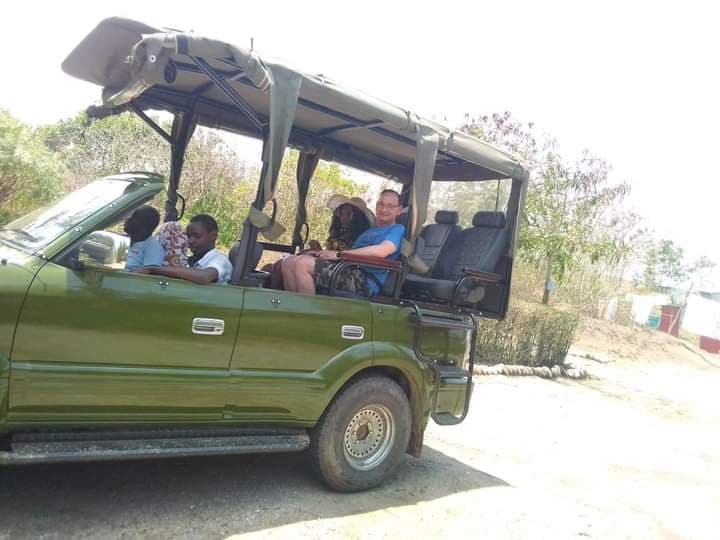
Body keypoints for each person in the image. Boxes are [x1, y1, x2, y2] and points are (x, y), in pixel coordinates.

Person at [281, 189, 405, 296]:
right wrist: (322, 254)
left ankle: (308, 318)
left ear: (399, 210)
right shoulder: (369, 231)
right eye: (381, 204)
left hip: (365, 281)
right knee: (289, 262)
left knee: (302, 264)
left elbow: (382, 251)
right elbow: (351, 253)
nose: (383, 209)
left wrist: (339, 254)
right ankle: (293, 313)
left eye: (390, 206)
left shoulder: (397, 229)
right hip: (347, 269)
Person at [140, 214, 232, 284]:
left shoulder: (220, 260)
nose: (190, 241)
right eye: (188, 236)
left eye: (196, 236)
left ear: (213, 236)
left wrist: (153, 269)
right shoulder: (190, 261)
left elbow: (204, 276)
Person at [123, 205, 165, 272]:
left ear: (143, 223)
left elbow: (149, 273)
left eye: (132, 217)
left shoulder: (153, 247)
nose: (127, 219)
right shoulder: (122, 240)